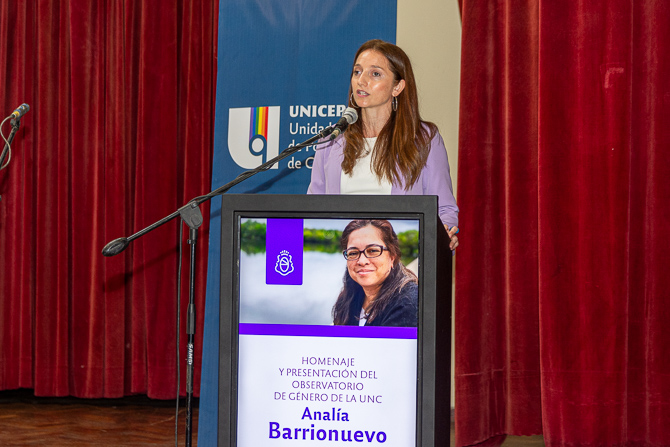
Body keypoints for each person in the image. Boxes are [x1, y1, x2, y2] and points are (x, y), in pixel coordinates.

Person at [307, 39, 459, 250]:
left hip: (402, 258)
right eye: (357, 72)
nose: (362, 81)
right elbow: (311, 210)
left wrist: (444, 234)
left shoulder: (424, 139)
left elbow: (444, 209)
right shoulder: (331, 141)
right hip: (340, 258)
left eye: (375, 74)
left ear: (397, 87)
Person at [333, 219, 418, 327]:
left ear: (392, 257)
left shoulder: (407, 304)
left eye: (373, 250)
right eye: (353, 253)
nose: (362, 261)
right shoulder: (348, 298)